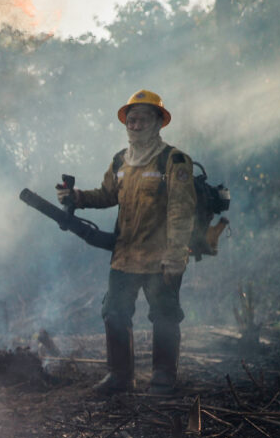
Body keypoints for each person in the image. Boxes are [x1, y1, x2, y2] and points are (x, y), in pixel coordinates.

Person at [58, 90, 196, 396]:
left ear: (158, 122)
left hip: (161, 257)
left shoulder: (173, 160)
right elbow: (107, 195)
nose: (135, 125)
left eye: (142, 120)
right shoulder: (121, 160)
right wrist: (77, 197)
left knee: (164, 315)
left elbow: (181, 211)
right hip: (124, 256)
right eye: (131, 120)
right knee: (114, 313)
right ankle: (119, 376)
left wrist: (176, 255)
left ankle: (163, 377)